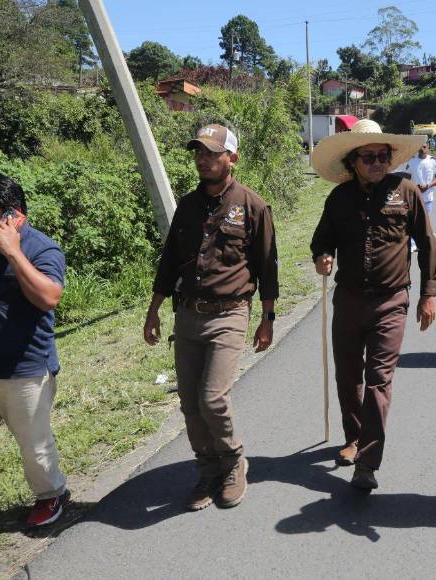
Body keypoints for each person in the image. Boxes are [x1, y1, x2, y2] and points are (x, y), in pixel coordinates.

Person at [144, 124, 279, 511]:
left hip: (230, 314)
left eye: (211, 153)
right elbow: (169, 261)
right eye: (198, 153)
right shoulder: (187, 205)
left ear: (231, 158)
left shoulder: (253, 206)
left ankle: (235, 461)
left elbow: (268, 267)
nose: (203, 159)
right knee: (189, 401)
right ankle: (209, 469)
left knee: (212, 398)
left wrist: (267, 318)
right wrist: (154, 309)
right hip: (187, 314)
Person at [310, 119, 436, 491]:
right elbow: (323, 241)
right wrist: (322, 258)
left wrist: (429, 293)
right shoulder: (338, 199)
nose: (378, 162)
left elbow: (428, 245)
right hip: (348, 300)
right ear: (353, 162)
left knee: (379, 380)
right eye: (369, 157)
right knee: (348, 378)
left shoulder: (408, 192)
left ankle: (367, 462)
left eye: (383, 156)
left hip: (391, 301)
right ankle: (353, 438)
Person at [0, 173, 69, 527]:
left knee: (34, 448)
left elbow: (48, 297)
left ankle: (51, 496)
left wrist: (12, 253)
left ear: (14, 216)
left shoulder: (42, 249)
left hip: (26, 369)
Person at [402, 142, 436, 251]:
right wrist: (414, 187)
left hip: (428, 197)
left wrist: (428, 186)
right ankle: (412, 243)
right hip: (414, 197)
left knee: (424, 220)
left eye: (424, 147)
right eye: (420, 147)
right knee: (413, 220)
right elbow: (406, 177)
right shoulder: (412, 160)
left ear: (428, 148)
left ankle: (423, 241)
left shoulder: (433, 161)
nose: (422, 149)